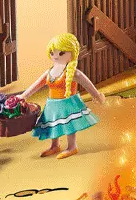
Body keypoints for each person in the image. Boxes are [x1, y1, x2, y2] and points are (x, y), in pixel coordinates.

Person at [30, 31, 107, 159]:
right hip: (52, 104)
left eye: (61, 53)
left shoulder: (72, 72)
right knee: (53, 124)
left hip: (67, 103)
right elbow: (36, 85)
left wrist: (97, 95)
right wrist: (23, 96)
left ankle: (72, 147)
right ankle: (55, 145)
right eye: (52, 53)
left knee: (69, 125)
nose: (55, 56)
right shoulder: (49, 72)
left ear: (72, 53)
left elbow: (87, 84)